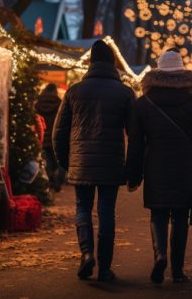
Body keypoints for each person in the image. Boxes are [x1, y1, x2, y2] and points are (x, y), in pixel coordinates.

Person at [53, 40, 136, 282]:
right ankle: (106, 268)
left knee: (82, 209)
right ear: (112, 63)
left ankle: (86, 254)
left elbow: (58, 132)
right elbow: (135, 135)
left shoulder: (74, 91)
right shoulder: (125, 93)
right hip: (112, 164)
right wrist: (132, 169)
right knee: (107, 213)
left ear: (90, 63)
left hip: (82, 163)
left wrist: (67, 163)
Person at [126, 51, 192, 284]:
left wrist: (133, 176)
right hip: (184, 164)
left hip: (155, 164)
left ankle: (160, 254)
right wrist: (188, 141)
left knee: (158, 213)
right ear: (183, 73)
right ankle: (177, 270)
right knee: (181, 216)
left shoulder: (144, 103)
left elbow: (135, 142)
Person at [36, 83, 64, 191]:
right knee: (59, 162)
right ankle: (56, 182)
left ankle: (51, 180)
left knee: (47, 161)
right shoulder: (59, 103)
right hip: (56, 137)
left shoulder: (38, 103)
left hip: (43, 136)